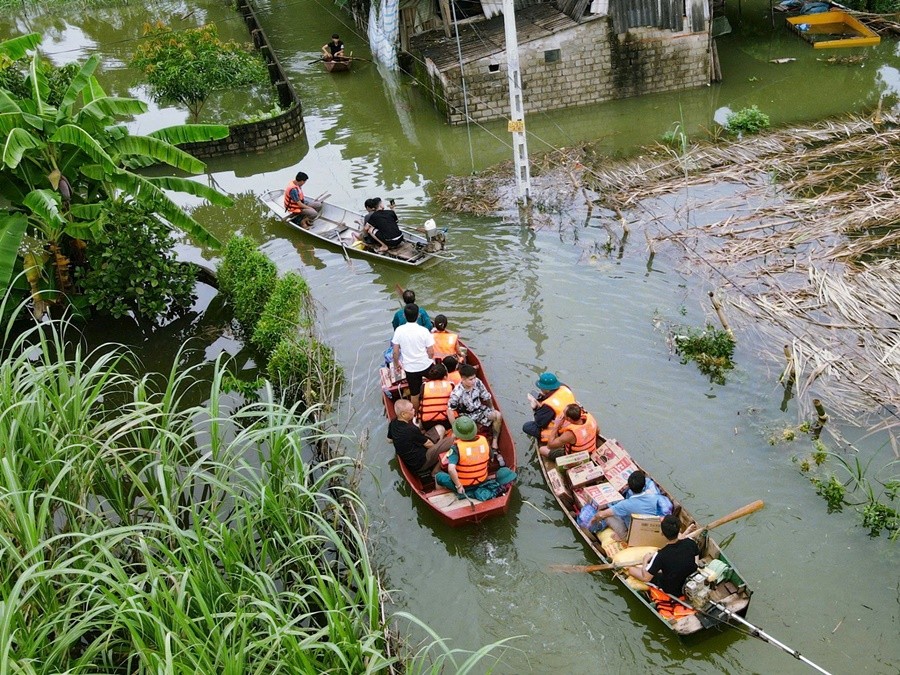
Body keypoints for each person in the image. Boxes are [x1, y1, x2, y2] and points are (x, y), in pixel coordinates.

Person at [435, 416, 516, 497]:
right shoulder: (484, 441)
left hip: (464, 486)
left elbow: (451, 469)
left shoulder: (456, 448)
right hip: (482, 481)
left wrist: (459, 486)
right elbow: (491, 458)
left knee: (438, 476)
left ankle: (440, 496)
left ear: (456, 434)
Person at [626, 514, 700, 597]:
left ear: (662, 533)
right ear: (679, 530)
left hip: (673, 590)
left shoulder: (660, 555)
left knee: (631, 569)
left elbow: (646, 578)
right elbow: (696, 561)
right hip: (690, 580)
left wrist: (645, 561)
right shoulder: (691, 543)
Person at [448, 363, 503, 462]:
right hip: (466, 416)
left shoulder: (477, 382)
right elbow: (450, 410)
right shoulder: (457, 392)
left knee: (497, 415)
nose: (473, 381)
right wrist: (454, 427)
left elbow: (487, 397)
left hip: (479, 410)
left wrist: (492, 408)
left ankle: (495, 442)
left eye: (474, 378)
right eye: (470, 379)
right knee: (470, 434)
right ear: (463, 379)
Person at [587, 470, 661, 541]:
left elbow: (601, 515)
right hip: (649, 530)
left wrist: (592, 520)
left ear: (629, 486)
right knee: (618, 505)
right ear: (644, 485)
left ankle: (593, 530)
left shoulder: (625, 505)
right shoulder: (653, 496)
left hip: (633, 536)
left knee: (606, 515)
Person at [388, 399, 454, 476]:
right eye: (411, 409)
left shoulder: (393, 423)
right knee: (453, 440)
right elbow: (429, 444)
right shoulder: (411, 429)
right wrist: (439, 447)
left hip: (416, 452)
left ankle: (438, 454)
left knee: (440, 428)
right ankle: (436, 470)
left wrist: (402, 440)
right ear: (403, 414)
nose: (414, 410)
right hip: (421, 462)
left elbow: (389, 440)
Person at [391, 303, 435, 411]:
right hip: (426, 365)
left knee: (414, 394)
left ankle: (416, 416)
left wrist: (396, 364)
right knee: (434, 384)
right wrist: (430, 358)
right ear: (418, 315)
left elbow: (395, 352)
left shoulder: (399, 331)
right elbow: (431, 351)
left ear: (404, 316)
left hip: (410, 369)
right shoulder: (424, 331)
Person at [522, 372, 576, 442]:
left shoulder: (549, 405)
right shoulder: (565, 388)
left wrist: (535, 407)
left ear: (546, 389)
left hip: (560, 428)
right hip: (571, 419)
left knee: (527, 426)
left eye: (541, 388)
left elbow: (540, 423)